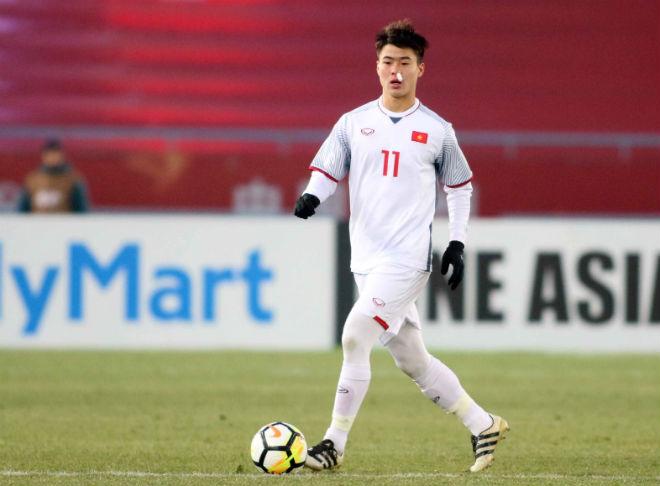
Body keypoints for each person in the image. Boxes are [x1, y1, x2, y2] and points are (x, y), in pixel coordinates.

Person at [294, 20, 508, 473]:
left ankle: (333, 444)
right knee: (413, 360)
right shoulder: (353, 123)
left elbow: (459, 187)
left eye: (405, 63)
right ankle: (482, 423)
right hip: (366, 260)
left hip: (407, 259)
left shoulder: (437, 130)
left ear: (420, 69)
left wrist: (457, 242)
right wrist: (314, 195)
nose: (395, 71)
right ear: (377, 66)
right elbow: (328, 169)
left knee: (355, 335)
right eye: (388, 62)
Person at [17, 139, 90, 213]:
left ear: (62, 155)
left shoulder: (73, 180)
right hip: (38, 219)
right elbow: (22, 209)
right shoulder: (32, 180)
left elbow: (81, 210)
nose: (52, 158)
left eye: (55, 154)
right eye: (49, 154)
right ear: (43, 156)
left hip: (63, 219)